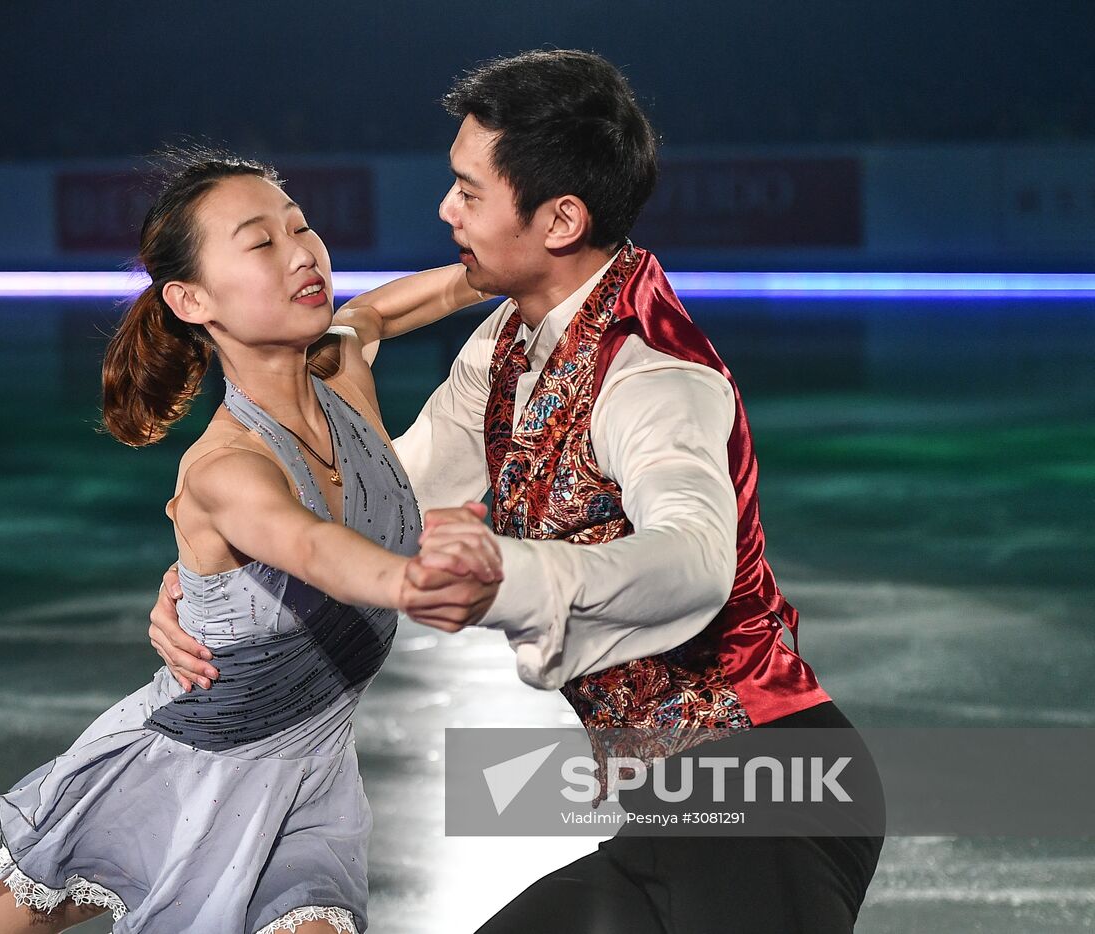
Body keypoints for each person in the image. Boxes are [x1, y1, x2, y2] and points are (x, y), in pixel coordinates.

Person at [150, 52, 887, 933]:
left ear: (561, 218)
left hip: (768, 799)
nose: (445, 210)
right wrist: (215, 575)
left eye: (469, 191)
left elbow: (697, 562)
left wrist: (512, 576)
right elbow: (382, 504)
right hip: (666, 814)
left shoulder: (655, 377)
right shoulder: (507, 344)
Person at [0, 148, 503, 934]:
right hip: (188, 764)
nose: (303, 252)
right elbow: (308, 547)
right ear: (192, 298)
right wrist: (413, 579)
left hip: (312, 772)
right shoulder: (225, 467)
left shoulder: (343, 366)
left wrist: (508, 265)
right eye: (261, 243)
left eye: (301, 227)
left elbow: (387, 309)